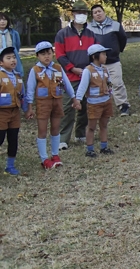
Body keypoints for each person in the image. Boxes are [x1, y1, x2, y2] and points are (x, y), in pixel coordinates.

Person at [24, 42, 80, 169]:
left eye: (49, 53)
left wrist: (74, 99)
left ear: (52, 54)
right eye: (43, 54)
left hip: (57, 102)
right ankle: (44, 158)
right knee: (42, 130)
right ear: (37, 56)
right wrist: (29, 107)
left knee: (55, 129)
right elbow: (30, 90)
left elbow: (67, 84)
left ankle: (55, 155)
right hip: (43, 103)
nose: (46, 57)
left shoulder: (58, 68)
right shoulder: (35, 70)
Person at [55, 0, 96, 150]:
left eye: (84, 13)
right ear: (72, 14)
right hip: (69, 76)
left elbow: (95, 54)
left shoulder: (91, 34)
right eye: (79, 12)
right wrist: (72, 68)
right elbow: (59, 55)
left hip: (86, 75)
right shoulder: (62, 34)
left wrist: (89, 70)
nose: (82, 15)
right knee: (68, 107)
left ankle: (80, 134)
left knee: (86, 106)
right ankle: (63, 137)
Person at [88, 4, 130, 116]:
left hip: (113, 61)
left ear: (104, 12)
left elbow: (123, 39)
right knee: (98, 85)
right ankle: (100, 107)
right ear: (92, 16)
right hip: (97, 64)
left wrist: (117, 50)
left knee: (117, 83)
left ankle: (123, 106)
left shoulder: (115, 25)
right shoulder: (89, 28)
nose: (98, 14)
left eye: (99, 11)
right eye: (95, 13)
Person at [74, 44, 115, 157]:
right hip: (94, 103)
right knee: (91, 126)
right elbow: (82, 86)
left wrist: (110, 92)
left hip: (106, 101)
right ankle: (90, 149)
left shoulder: (105, 69)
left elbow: (109, 83)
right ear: (94, 56)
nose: (105, 56)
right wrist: (78, 99)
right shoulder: (88, 70)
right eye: (103, 54)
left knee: (104, 125)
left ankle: (104, 146)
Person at [0, 46, 26, 175]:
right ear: (1, 62)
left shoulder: (17, 75)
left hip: (15, 112)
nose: (12, 60)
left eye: (14, 57)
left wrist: (26, 109)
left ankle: (10, 166)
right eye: (8, 58)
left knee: (13, 139)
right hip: (2, 113)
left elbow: (23, 94)